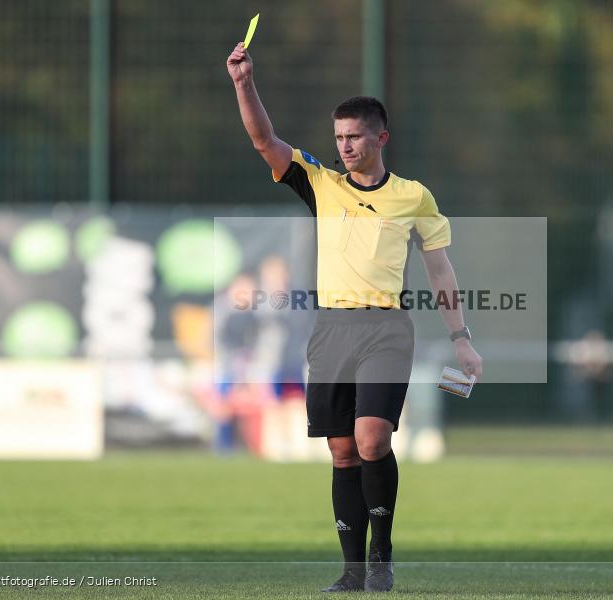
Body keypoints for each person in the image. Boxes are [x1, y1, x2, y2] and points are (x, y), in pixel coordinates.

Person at [226, 42, 483, 592]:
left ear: (380, 138)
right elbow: (263, 141)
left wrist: (461, 338)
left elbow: (440, 271)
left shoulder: (413, 196)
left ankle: (381, 556)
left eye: (354, 137)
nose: (343, 147)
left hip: (386, 328)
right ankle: (350, 571)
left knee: (371, 440)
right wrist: (244, 83)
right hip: (330, 330)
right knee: (342, 451)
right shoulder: (322, 184)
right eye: (339, 137)